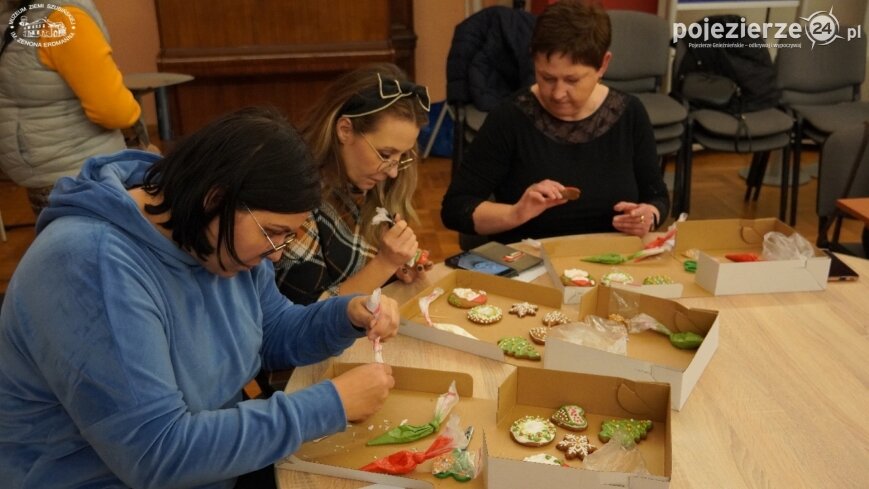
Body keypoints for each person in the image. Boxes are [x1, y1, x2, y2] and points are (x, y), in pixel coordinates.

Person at [0, 107, 399, 489]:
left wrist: (345, 315)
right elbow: (155, 454)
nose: (277, 254)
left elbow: (272, 329)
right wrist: (328, 406)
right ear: (214, 199)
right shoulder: (91, 266)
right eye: (272, 232)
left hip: (212, 466)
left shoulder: (215, 238)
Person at [441, 0, 670, 245]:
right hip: (530, 260)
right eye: (547, 77)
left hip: (611, 257)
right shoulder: (510, 118)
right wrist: (516, 212)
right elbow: (456, 208)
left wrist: (649, 215)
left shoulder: (630, 114)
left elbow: (657, 197)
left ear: (603, 64)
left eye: (572, 80)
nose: (558, 93)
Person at [274, 63, 431, 305]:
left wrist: (395, 269)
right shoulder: (296, 199)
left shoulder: (365, 182)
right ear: (345, 130)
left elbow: (358, 276)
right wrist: (385, 263)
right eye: (385, 154)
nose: (393, 172)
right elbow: (308, 315)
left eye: (402, 156)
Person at [0, 0, 142, 218]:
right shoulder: (65, 18)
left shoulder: (11, 13)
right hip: (86, 174)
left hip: (38, 173)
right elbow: (115, 112)